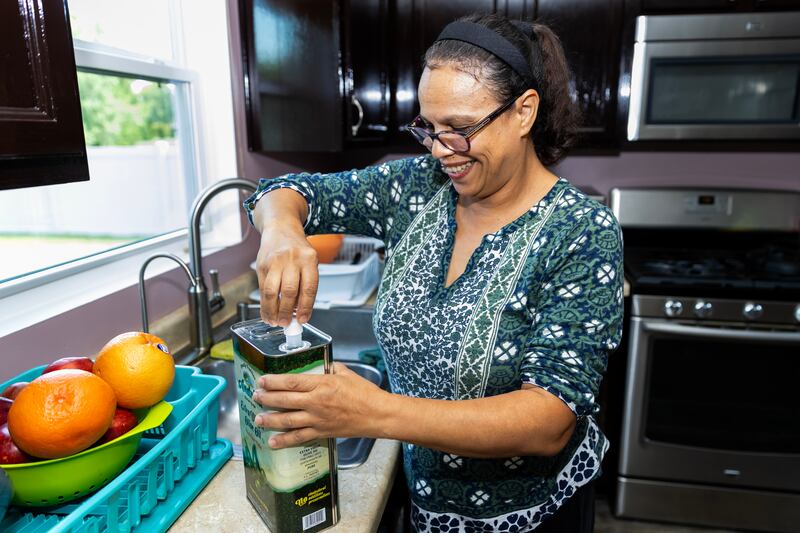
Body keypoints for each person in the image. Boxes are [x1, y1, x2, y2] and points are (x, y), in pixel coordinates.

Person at [243, 12, 623, 532]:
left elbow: (549, 419)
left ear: (524, 112)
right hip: (424, 505)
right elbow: (284, 193)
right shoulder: (416, 187)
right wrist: (283, 231)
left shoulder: (582, 231)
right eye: (430, 127)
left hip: (533, 518)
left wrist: (372, 412)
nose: (442, 151)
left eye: (462, 129)